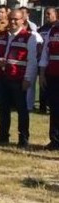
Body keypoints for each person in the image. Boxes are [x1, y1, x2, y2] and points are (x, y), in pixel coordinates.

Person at [0, 9, 39, 147]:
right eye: (11, 19)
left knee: (21, 109)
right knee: (3, 108)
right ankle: (3, 136)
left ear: (22, 21)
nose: (12, 22)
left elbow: (32, 60)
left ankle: (23, 138)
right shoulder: (1, 35)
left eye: (16, 19)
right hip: (2, 76)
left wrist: (27, 78)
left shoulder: (29, 37)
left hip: (18, 77)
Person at [39, 8, 59, 150]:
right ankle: (55, 140)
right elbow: (45, 53)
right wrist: (42, 73)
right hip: (52, 74)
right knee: (54, 108)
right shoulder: (52, 31)